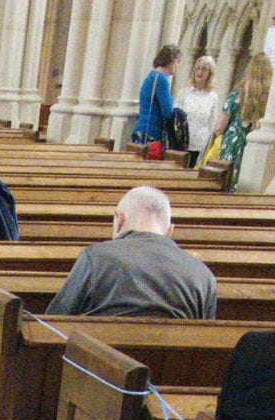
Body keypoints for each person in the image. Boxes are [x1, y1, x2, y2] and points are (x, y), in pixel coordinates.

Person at [46, 186, 217, 319]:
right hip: (177, 364)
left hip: (99, 362)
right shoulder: (204, 276)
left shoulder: (95, 257)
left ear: (119, 220)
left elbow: (54, 321)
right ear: (169, 231)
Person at [215, 53, 273, 192]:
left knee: (225, 184)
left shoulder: (238, 93)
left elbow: (220, 126)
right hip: (256, 144)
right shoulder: (269, 98)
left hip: (233, 143)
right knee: (245, 188)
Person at [174, 56, 218, 168]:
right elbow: (175, 119)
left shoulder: (213, 97)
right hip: (182, 144)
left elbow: (212, 123)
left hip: (200, 145)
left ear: (210, 74)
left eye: (204, 69)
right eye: (197, 68)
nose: (200, 72)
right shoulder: (184, 93)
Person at [131, 44, 180, 145]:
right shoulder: (161, 79)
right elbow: (167, 111)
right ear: (171, 61)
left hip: (141, 128)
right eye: (177, 62)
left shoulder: (151, 76)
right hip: (152, 132)